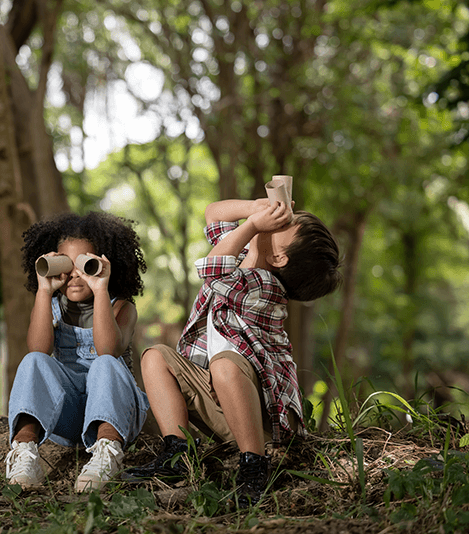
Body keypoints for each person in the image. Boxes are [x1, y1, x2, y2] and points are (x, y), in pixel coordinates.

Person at [123, 198, 342, 508]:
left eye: (283, 225)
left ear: (279, 258)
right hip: (224, 406)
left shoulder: (264, 286)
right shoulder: (242, 255)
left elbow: (213, 271)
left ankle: (254, 465)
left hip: (263, 424)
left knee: (224, 364)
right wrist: (254, 207)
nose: (274, 220)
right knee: (156, 356)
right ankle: (177, 452)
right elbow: (213, 213)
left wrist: (253, 225)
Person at [5, 211, 149, 492]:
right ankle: (25, 452)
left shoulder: (121, 307)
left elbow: (108, 349)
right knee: (33, 360)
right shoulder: (52, 305)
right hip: (70, 415)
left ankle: (108, 451)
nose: (73, 274)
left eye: (85, 264)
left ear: (103, 264)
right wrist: (44, 291)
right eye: (65, 263)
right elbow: (38, 349)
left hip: (115, 414)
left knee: (105, 363)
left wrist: (101, 288)